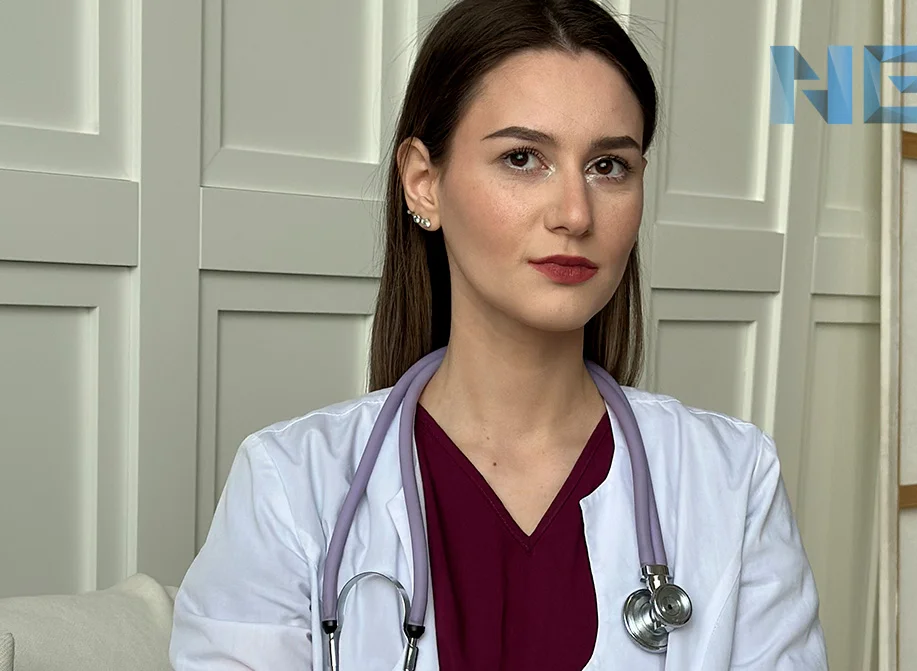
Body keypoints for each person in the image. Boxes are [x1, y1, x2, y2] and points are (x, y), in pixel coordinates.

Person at [168, 0, 827, 668]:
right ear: (423, 183)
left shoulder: (733, 479)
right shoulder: (289, 484)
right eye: (522, 157)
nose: (575, 214)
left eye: (608, 166)